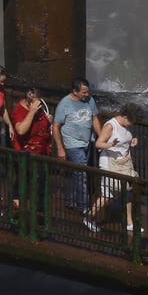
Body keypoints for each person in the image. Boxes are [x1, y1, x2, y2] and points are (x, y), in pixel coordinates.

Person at [86, 104, 138, 233]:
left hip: (124, 163)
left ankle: (129, 223)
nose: (131, 124)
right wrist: (110, 144)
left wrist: (132, 141)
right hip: (109, 163)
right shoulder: (110, 125)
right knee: (107, 195)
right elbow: (98, 144)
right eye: (130, 121)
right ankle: (89, 217)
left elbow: (125, 139)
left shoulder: (126, 126)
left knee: (128, 192)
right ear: (125, 116)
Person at [54, 79, 100, 209]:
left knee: (77, 173)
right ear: (75, 91)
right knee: (82, 174)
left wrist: (101, 138)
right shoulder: (64, 104)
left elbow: (95, 118)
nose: (86, 95)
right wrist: (60, 148)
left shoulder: (90, 100)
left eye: (87, 92)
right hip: (73, 144)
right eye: (84, 92)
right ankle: (83, 206)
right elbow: (56, 126)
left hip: (87, 142)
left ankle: (70, 200)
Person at [7, 85, 55, 157]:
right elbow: (21, 131)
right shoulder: (19, 110)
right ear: (28, 102)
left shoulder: (41, 110)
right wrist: (32, 112)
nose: (37, 107)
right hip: (27, 153)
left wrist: (49, 121)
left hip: (43, 150)